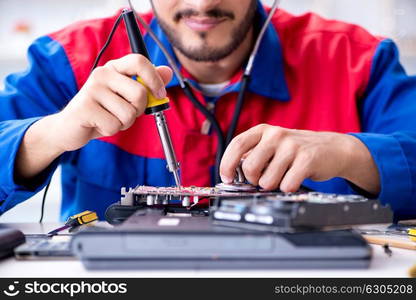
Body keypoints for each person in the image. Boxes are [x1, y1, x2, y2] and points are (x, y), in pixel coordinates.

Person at [0, 0, 415, 221]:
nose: (203, 3)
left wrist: (348, 154)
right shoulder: (68, 61)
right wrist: (51, 133)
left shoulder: (358, 60)